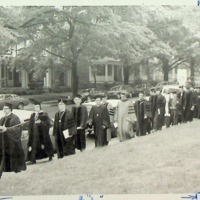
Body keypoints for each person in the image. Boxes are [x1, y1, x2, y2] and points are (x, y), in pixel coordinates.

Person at [0, 103, 26, 178]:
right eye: (3, 108)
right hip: (3, 141)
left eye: (6, 108)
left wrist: (7, 129)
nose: (4, 110)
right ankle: (6, 169)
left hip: (12, 141)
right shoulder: (2, 118)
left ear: (10, 109)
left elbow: (17, 129)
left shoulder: (15, 118)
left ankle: (16, 168)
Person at [26, 100, 54, 165]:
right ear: (34, 108)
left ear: (40, 107)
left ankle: (50, 156)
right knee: (33, 145)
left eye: (38, 106)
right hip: (34, 133)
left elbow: (48, 123)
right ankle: (33, 160)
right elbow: (30, 124)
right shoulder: (32, 115)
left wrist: (40, 122)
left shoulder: (44, 114)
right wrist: (29, 131)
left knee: (45, 144)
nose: (37, 108)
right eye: (35, 107)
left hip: (42, 133)